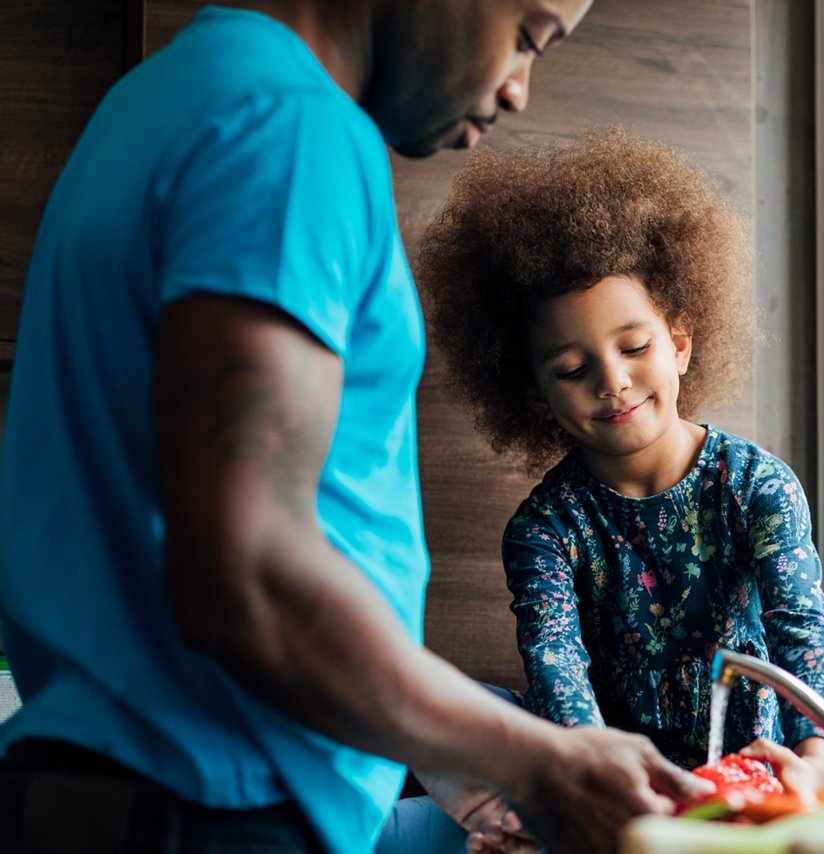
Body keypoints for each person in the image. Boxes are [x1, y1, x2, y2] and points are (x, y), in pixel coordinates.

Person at [0, 3, 709, 853]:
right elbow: (250, 576)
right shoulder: (291, 130)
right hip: (220, 809)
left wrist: (454, 759)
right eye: (527, 34)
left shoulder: (157, 100)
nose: (518, 88)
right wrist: (535, 761)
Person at [414, 131, 824, 806]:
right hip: (609, 780)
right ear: (535, 393)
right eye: (571, 369)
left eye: (635, 346)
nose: (612, 383)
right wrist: (606, 791)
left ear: (679, 342)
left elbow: (802, 628)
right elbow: (558, 671)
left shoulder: (758, 487)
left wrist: (814, 765)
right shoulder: (544, 530)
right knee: (441, 705)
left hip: (748, 768)